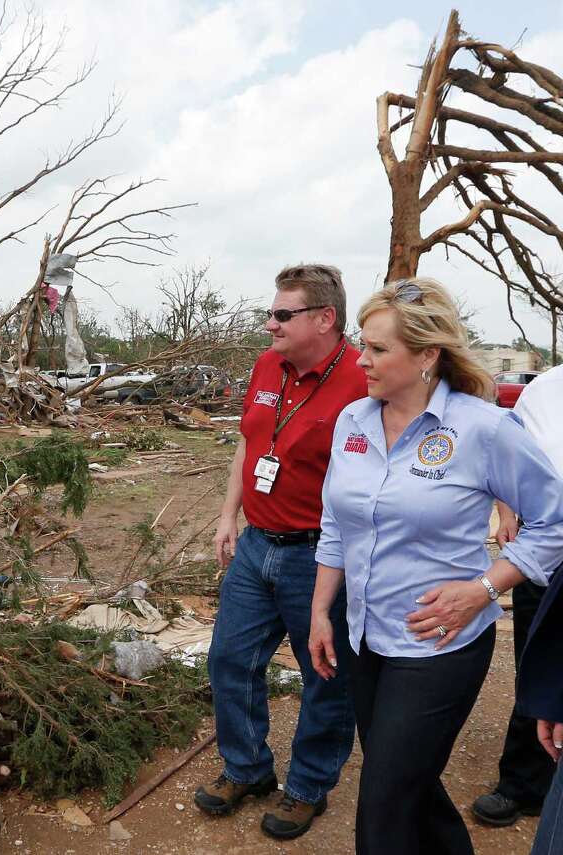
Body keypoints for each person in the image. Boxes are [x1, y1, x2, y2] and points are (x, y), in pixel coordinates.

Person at [309, 278, 563, 855]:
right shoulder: (353, 421)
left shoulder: (485, 428)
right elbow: (335, 524)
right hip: (364, 637)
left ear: (426, 355)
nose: (361, 360)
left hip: (438, 646)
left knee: (383, 805)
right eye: (362, 345)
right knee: (409, 787)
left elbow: (555, 523)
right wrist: (322, 610)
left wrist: (483, 589)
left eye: (377, 349)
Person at [195, 264, 366, 840]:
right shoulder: (268, 365)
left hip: (320, 556)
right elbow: (250, 440)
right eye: (270, 313)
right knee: (230, 659)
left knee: (324, 675)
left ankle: (309, 786)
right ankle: (246, 769)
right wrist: (228, 514)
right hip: (256, 545)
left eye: (282, 315)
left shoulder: (362, 379)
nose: (270, 325)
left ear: (325, 319)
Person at [472, 365, 561, 827]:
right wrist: (506, 512)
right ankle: (524, 783)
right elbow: (505, 463)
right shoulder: (543, 391)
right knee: (537, 666)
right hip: (547, 554)